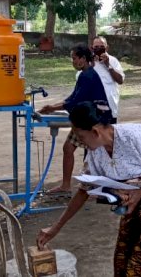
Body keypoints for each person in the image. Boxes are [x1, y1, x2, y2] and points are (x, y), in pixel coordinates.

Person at [36, 102, 141, 276]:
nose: (79, 141)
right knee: (126, 252)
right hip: (133, 199)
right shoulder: (95, 152)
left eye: (80, 136)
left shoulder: (134, 136)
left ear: (95, 132)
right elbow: (84, 189)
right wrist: (55, 228)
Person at [46, 37, 125, 194]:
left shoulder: (90, 73)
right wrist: (53, 107)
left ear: (82, 59)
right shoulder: (85, 73)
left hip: (95, 120)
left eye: (74, 58)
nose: (73, 62)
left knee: (95, 153)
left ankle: (97, 186)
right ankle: (70, 185)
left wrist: (52, 107)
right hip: (88, 118)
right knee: (72, 149)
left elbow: (75, 100)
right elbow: (74, 97)